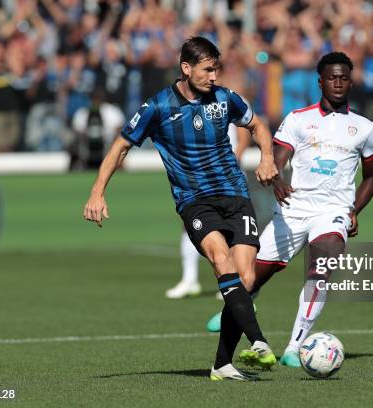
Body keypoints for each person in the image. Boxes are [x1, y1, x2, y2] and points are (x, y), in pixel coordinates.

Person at [83, 36, 278, 381]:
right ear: (186, 69)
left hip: (235, 195)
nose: (214, 76)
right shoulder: (157, 107)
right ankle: (259, 341)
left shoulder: (225, 98)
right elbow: (121, 146)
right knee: (222, 260)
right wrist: (97, 192)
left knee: (245, 279)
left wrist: (266, 157)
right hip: (195, 201)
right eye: (207, 70)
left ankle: (222, 364)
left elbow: (258, 125)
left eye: (216, 69)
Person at [205, 52, 373, 368]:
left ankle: (295, 346)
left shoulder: (365, 128)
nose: (338, 83)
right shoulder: (299, 120)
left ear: (351, 82)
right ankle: (240, 305)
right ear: (321, 82)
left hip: (333, 212)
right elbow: (278, 158)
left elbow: (371, 177)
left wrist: (354, 210)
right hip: (292, 210)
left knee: (320, 270)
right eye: (332, 77)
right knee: (250, 279)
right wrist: (277, 181)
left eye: (344, 78)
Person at [165, 124, 251, 299]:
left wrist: (229, 164)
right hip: (202, 179)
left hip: (228, 179)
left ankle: (234, 282)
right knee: (189, 224)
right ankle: (190, 279)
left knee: (232, 229)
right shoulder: (194, 108)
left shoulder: (230, 101)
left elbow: (244, 138)